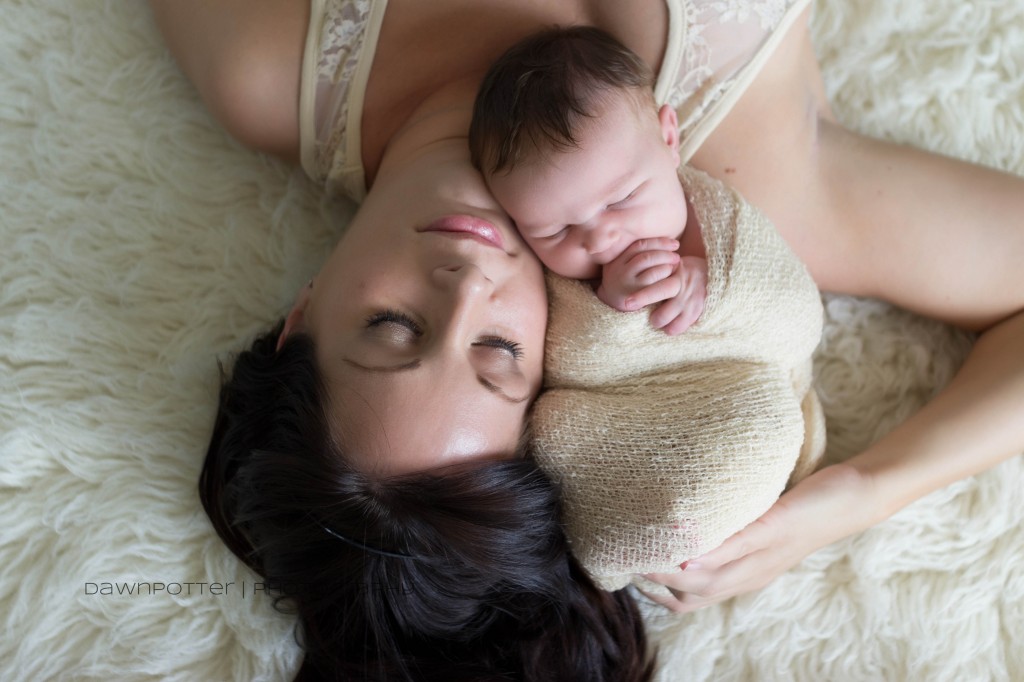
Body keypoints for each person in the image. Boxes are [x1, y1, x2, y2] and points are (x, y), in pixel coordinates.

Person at [149, 0, 1024, 678]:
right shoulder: (756, 204)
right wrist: (859, 494)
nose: (465, 283)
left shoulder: (267, 67)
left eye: (393, 327)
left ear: (299, 319)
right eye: (499, 354)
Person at [469, 26, 708, 335]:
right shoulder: (552, 294)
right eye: (556, 231)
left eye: (622, 198)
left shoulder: (721, 221)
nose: (598, 242)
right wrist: (612, 307)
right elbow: (567, 357)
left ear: (669, 138)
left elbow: (780, 291)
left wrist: (718, 287)